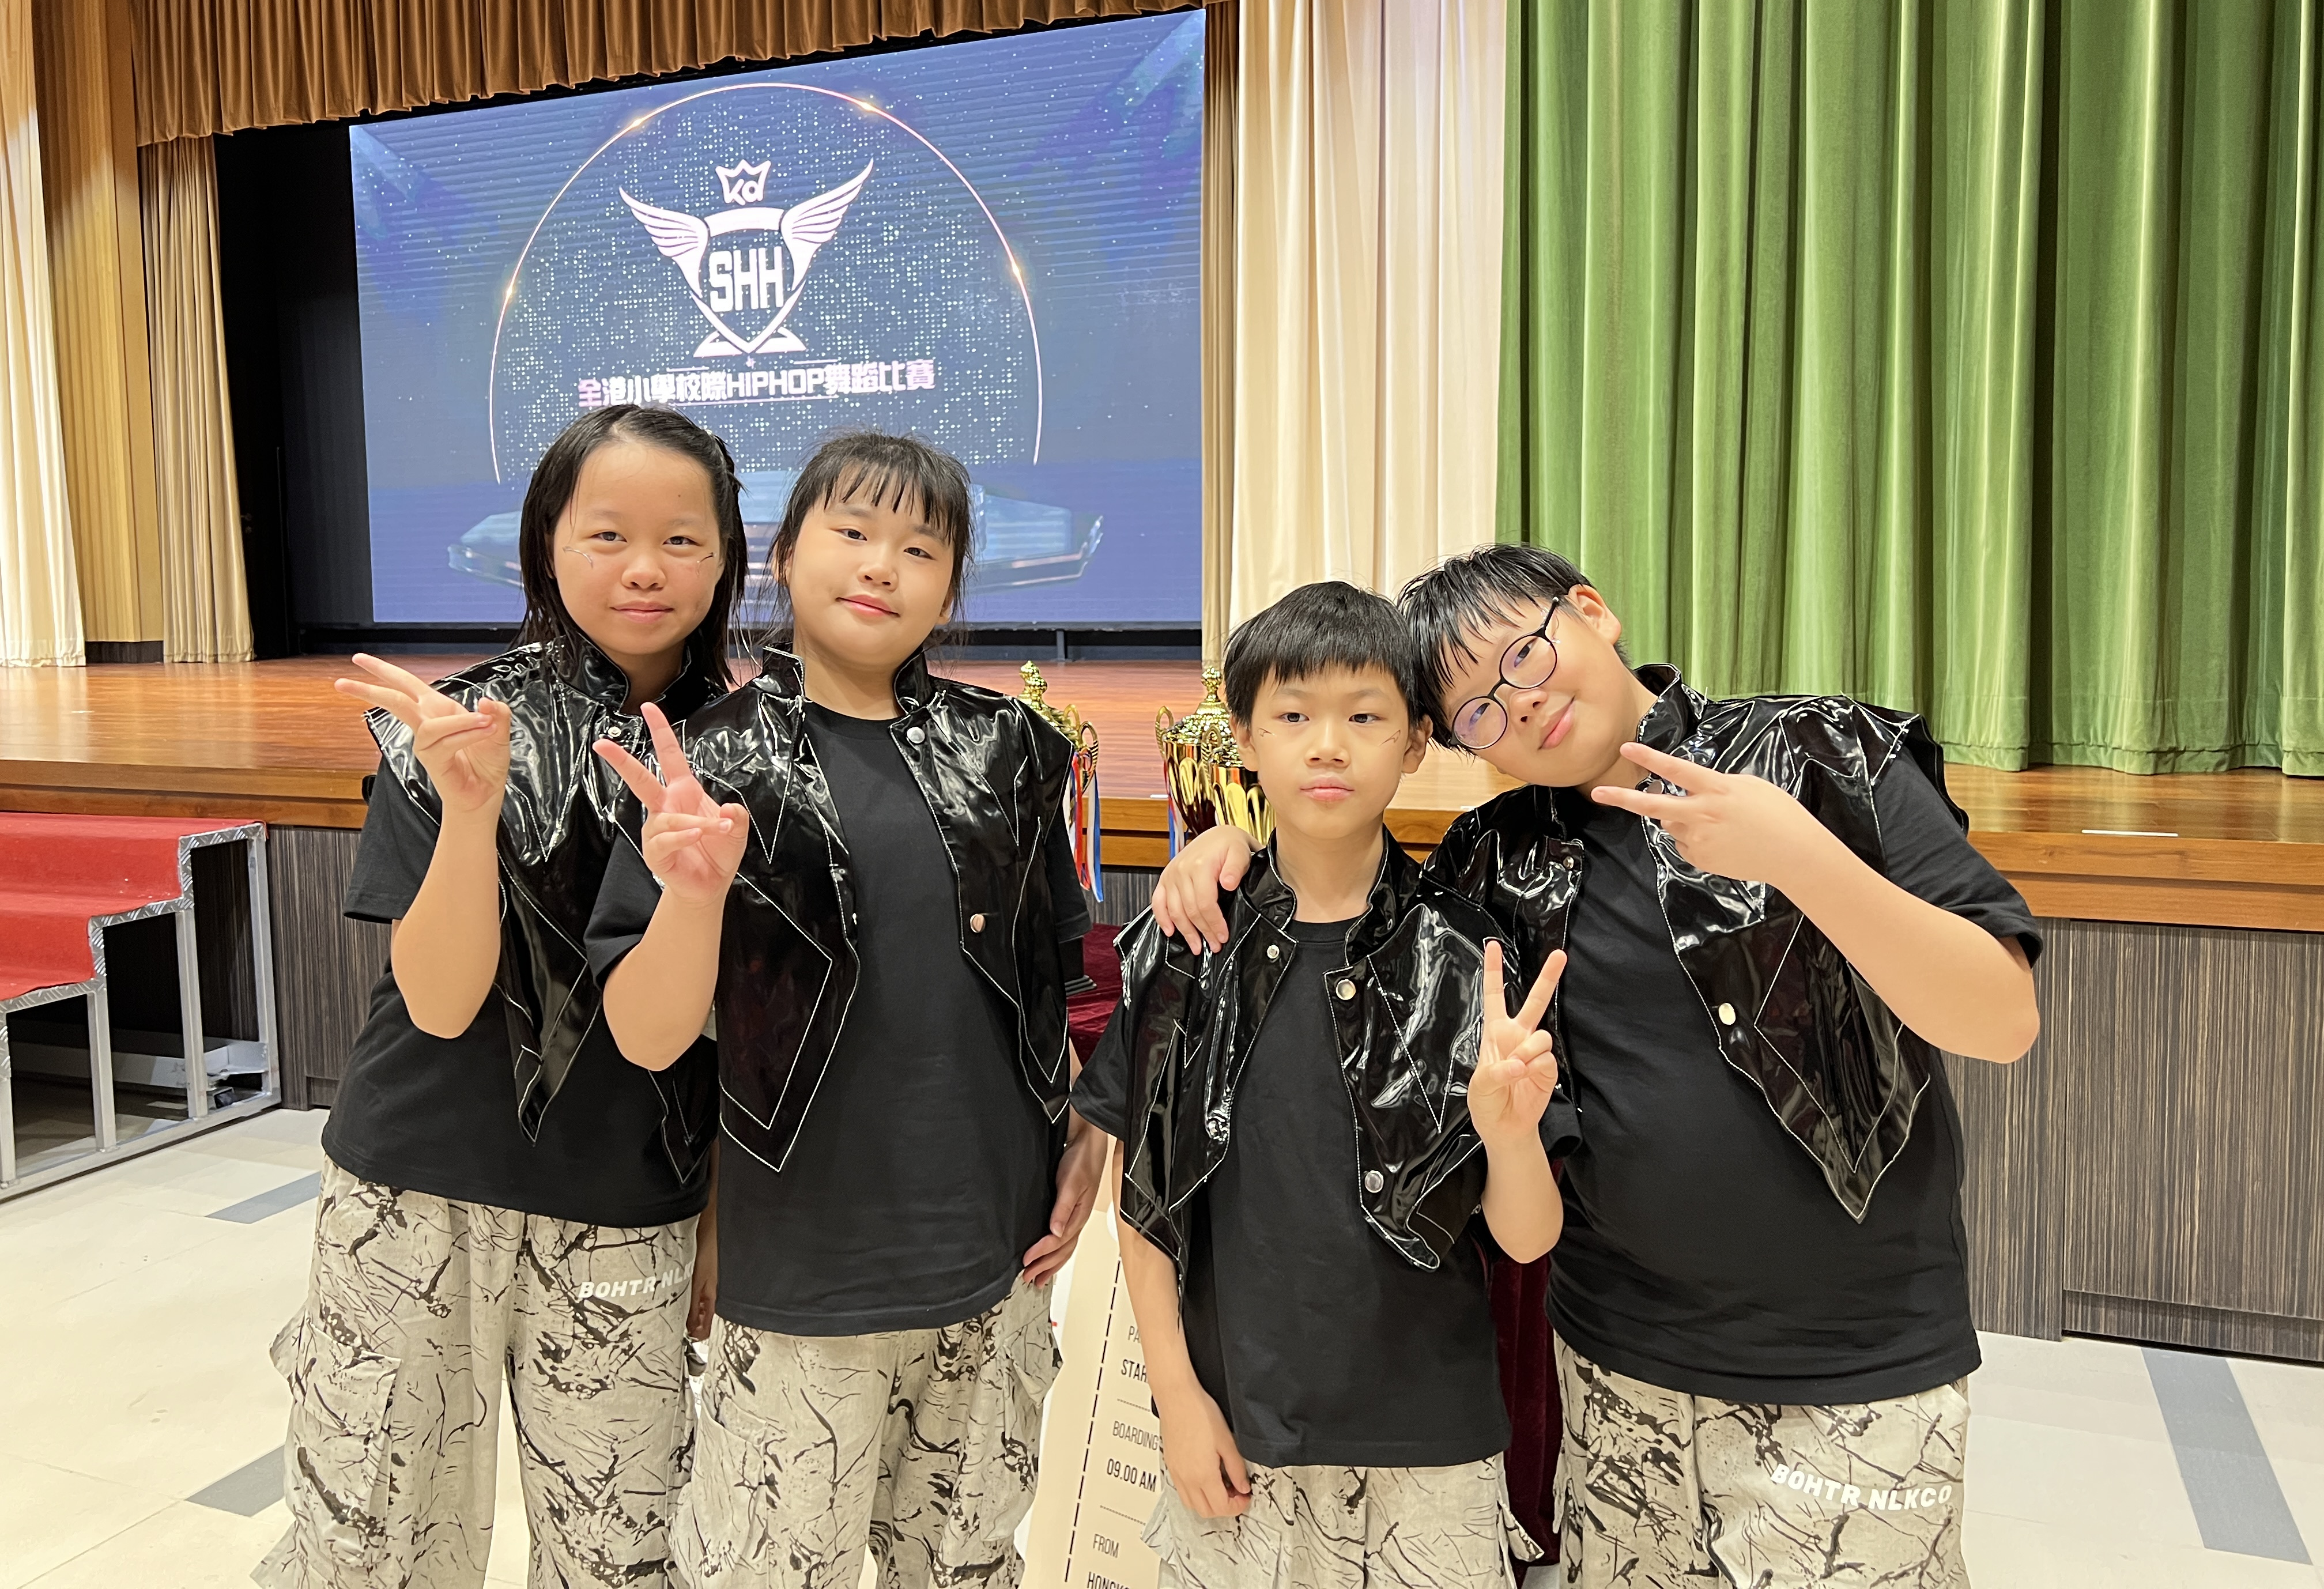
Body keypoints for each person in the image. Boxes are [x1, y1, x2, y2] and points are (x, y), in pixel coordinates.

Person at [1152, 545, 2042, 1589]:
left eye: (1525, 656)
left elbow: (2002, 1021)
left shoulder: (1819, 754)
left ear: (1592, 611)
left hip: (1857, 1362)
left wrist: (1796, 853)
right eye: (1480, 711)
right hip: (1618, 1365)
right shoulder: (1490, 858)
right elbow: (1350, 893)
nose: (1520, 705)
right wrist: (1222, 849)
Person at [585, 431, 1108, 1589]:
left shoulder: (1012, 748)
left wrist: (1090, 1132)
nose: (882, 565)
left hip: (994, 1263)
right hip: (803, 1273)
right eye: (854, 532)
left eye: (921, 549)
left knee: (968, 1566)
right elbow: (648, 1037)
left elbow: (1058, 981)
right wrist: (691, 894)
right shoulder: (702, 764)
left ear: (951, 586)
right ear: (783, 552)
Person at [260, 405, 744, 1589]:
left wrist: (720, 1222)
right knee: (372, 1547)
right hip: (415, 1190)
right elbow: (436, 1002)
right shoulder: (457, 726)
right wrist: (469, 810)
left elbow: (725, 1032)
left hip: (627, 1201)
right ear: (546, 546)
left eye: (682, 539)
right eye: (607, 535)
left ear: (727, 556)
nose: (645, 568)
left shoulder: (758, 748)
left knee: (622, 1556)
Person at [1074, 581, 1561, 1588]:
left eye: (1365, 718)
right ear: (1244, 739)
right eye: (1293, 717)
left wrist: (1513, 1134)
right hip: (1236, 1427)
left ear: (1416, 741)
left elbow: (1524, 1240)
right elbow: (1145, 1197)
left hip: (1432, 1437)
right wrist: (1177, 1398)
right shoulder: (1186, 946)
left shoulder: (1469, 953)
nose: (1329, 747)